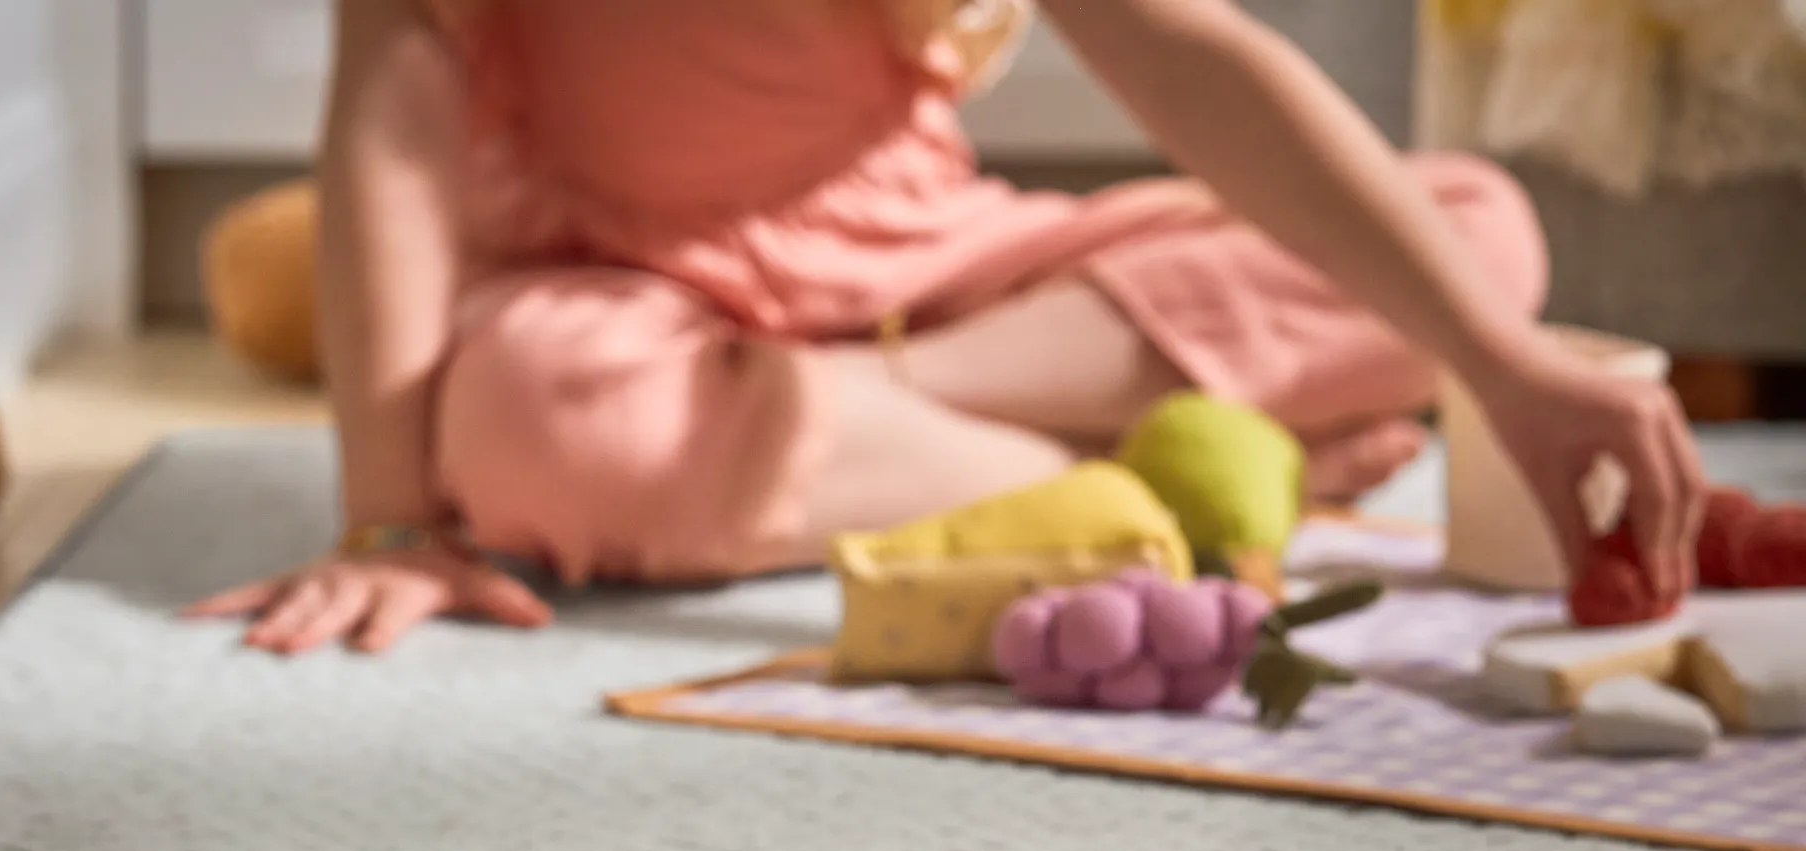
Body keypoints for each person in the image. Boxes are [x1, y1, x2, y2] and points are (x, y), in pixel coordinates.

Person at [187, 0, 1705, 655]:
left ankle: (874, 418)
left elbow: (1195, 61)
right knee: (539, 419)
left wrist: (1508, 370)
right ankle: (1211, 473)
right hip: (629, 288)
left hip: (939, 262)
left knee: (1482, 233)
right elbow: (391, 124)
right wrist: (390, 522)